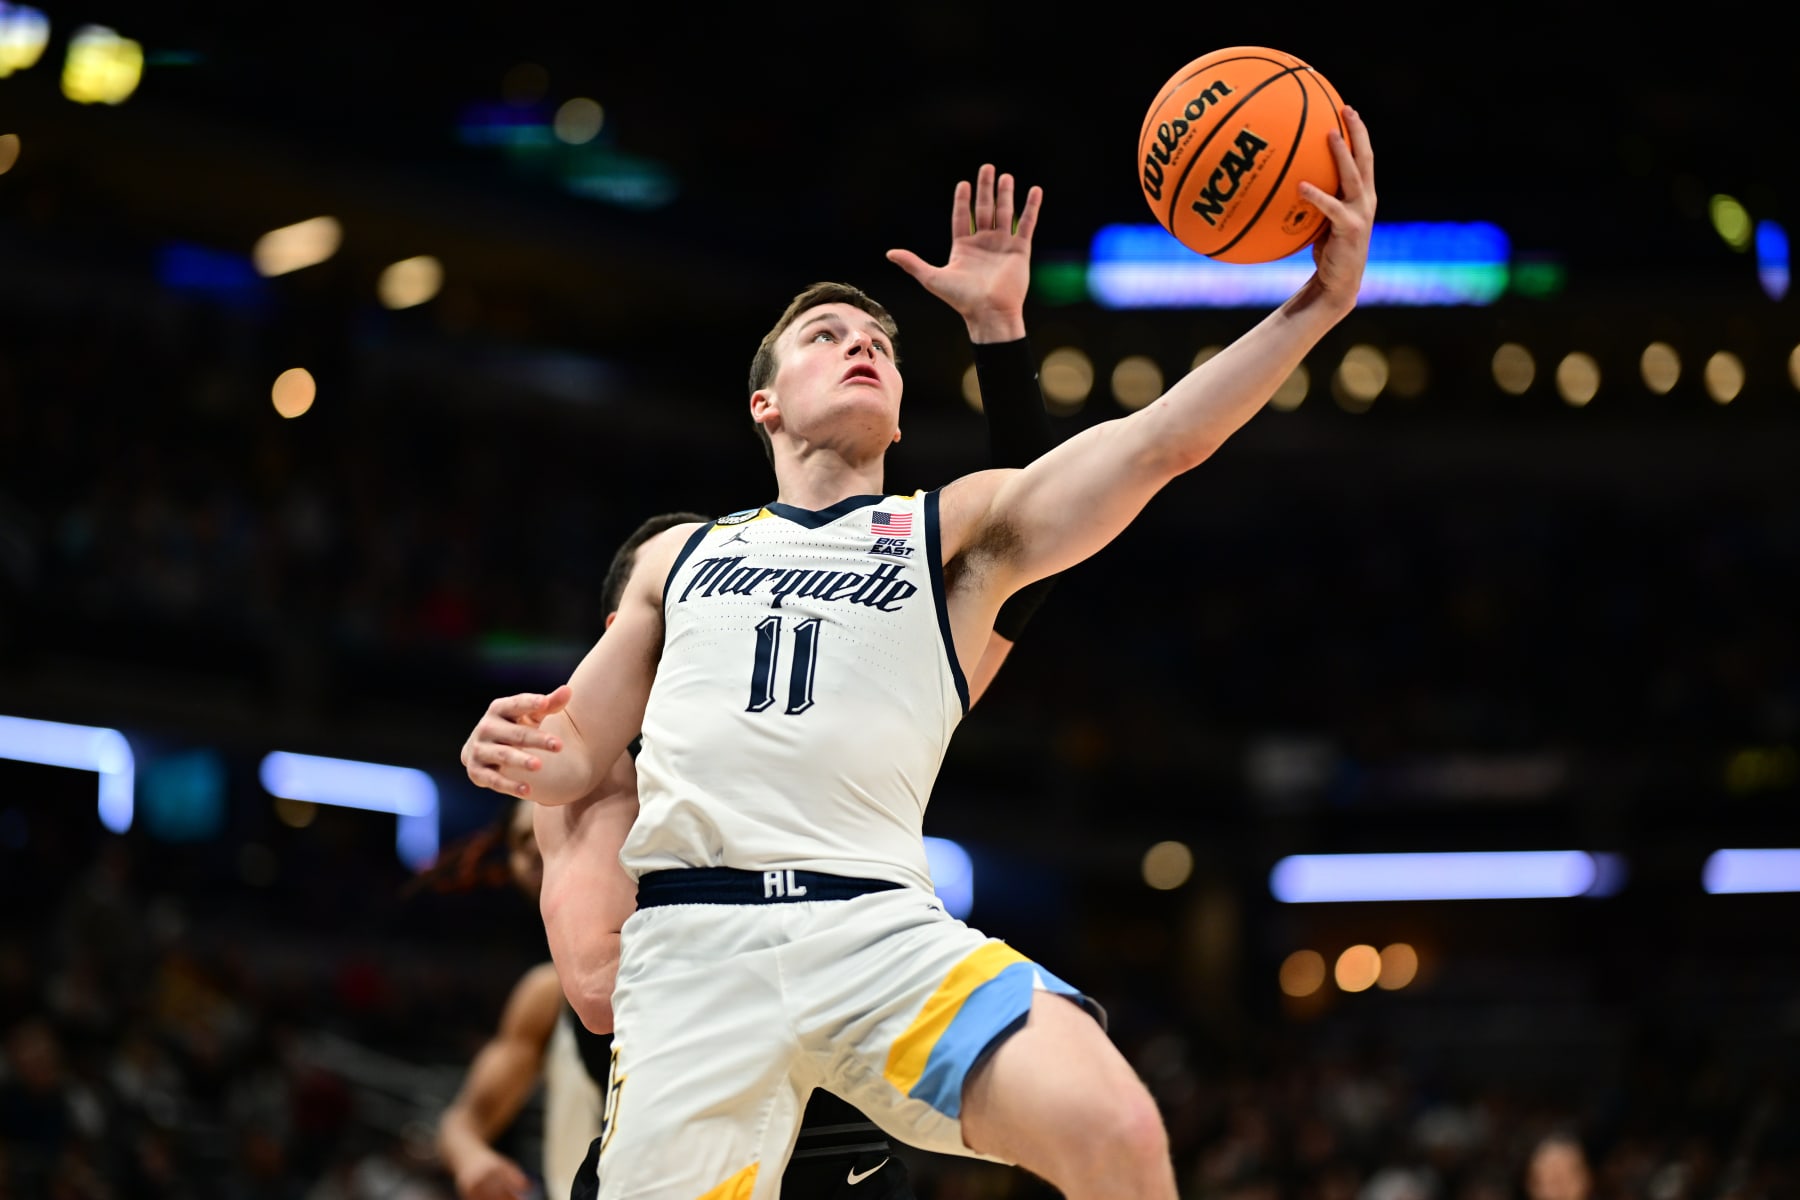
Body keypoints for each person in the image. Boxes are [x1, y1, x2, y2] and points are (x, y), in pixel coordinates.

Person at [464, 118, 1376, 1200]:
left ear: (898, 412)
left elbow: (1156, 442)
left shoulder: (951, 535)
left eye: (882, 346)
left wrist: (1315, 306)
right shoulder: (679, 553)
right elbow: (574, 752)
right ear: (764, 403)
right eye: (826, 336)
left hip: (877, 930)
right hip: (697, 951)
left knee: (1117, 1126)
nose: (862, 345)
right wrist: (508, 747)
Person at [537, 168, 1067, 1200]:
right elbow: (603, 992)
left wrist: (1001, 339)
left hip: (839, 1142)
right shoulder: (605, 793)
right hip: (698, 1129)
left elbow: (1030, 533)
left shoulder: (855, 650)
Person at [428, 798, 608, 1200]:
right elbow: (461, 1124)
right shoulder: (545, 993)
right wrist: (474, 1158)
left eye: (551, 829)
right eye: (522, 840)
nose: (535, 849)